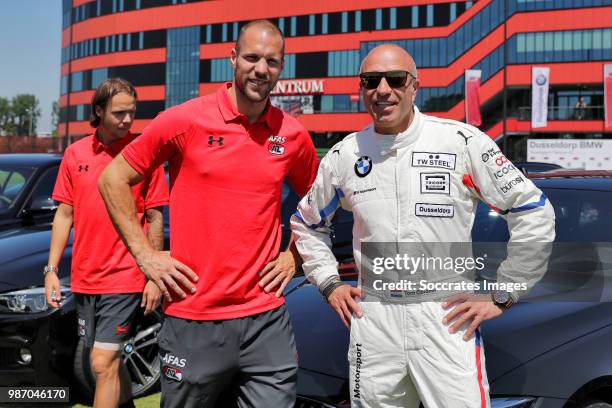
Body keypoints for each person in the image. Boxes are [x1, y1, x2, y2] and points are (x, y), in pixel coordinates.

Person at [291, 44, 556, 407]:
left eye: (395, 79)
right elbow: (306, 224)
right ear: (361, 89)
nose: (383, 90)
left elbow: (533, 210)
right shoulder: (344, 155)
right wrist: (329, 282)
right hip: (375, 323)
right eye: (371, 81)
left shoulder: (460, 142)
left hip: (446, 319)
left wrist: (504, 291)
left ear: (415, 86)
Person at [97, 20, 318, 408]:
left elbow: (319, 204)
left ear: (282, 67)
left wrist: (294, 255)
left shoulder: (293, 135)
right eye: (251, 58)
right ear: (232, 59)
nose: (261, 69)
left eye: (272, 61)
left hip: (266, 318)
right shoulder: (185, 120)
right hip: (193, 318)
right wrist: (145, 256)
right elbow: (113, 179)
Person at [44, 78, 168, 408]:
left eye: (132, 113)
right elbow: (64, 214)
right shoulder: (75, 153)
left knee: (101, 363)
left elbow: (155, 217)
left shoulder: (143, 153)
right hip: (85, 278)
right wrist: (52, 270)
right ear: (98, 111)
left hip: (125, 277)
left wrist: (153, 275)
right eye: (119, 113)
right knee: (108, 364)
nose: (128, 120)